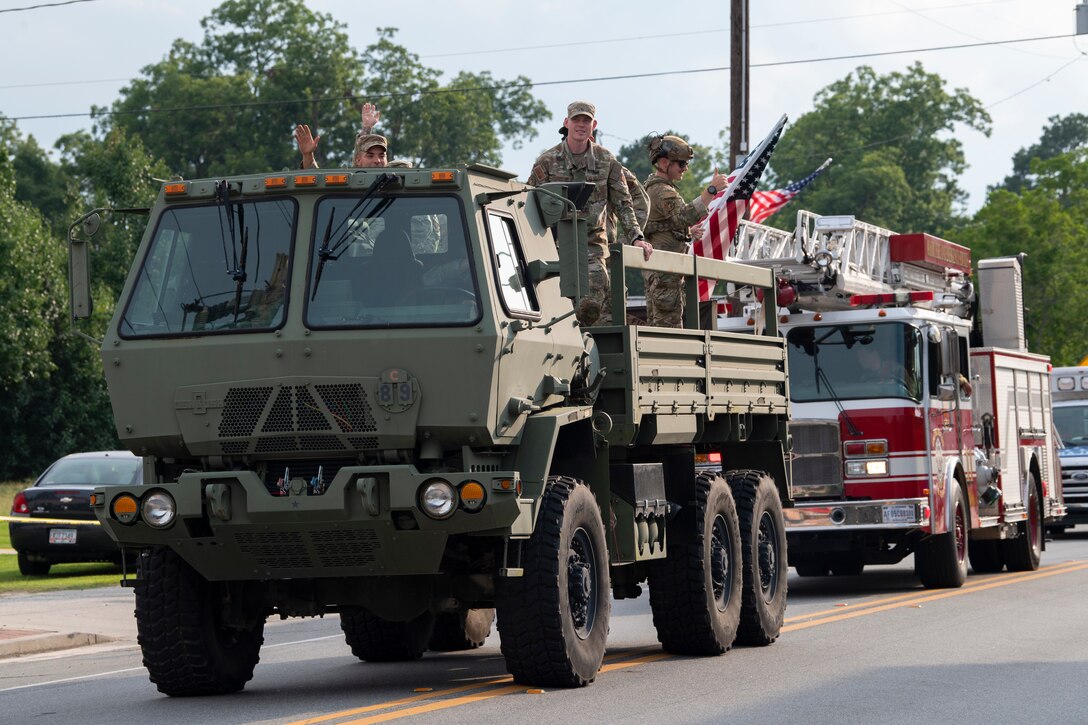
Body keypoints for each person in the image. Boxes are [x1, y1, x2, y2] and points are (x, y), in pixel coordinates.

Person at [527, 100, 652, 325]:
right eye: (576, 120)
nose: (581, 125)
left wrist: (637, 237)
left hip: (592, 243)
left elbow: (623, 203)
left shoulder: (606, 160)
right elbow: (530, 204)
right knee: (551, 299)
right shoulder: (547, 162)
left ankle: (583, 338)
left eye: (586, 120)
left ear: (594, 125)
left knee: (593, 297)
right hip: (553, 244)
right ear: (566, 123)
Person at [642, 135, 728, 327]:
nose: (685, 168)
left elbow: (665, 225)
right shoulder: (661, 191)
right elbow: (683, 215)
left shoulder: (658, 188)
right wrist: (711, 190)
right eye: (681, 163)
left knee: (662, 326)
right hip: (664, 274)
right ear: (664, 162)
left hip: (663, 273)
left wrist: (687, 231)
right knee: (668, 330)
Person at [296, 102, 388, 169]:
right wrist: (308, 155)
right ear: (358, 160)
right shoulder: (351, 184)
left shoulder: (397, 180)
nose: (377, 161)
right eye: (370, 156)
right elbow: (315, 179)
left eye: (381, 156)